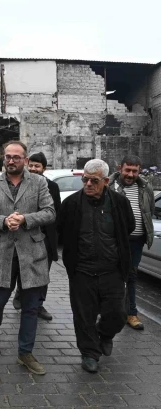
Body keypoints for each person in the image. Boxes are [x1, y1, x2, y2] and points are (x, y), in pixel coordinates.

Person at [0, 141, 55, 376]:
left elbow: (50, 212)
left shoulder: (39, 182)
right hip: (2, 251)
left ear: (24, 159)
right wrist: (4, 221)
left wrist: (24, 219)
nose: (11, 160)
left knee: (31, 307)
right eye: (8, 156)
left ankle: (25, 353)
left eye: (16, 157)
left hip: (32, 253)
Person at [58, 159, 134, 373]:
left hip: (112, 270)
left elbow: (128, 226)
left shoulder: (119, 203)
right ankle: (89, 353)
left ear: (106, 181)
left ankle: (106, 333)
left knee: (118, 314)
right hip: (82, 270)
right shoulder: (71, 204)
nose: (88, 184)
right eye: (85, 179)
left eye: (94, 180)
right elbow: (62, 231)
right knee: (84, 315)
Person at [12, 152, 61, 321]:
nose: (33, 169)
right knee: (22, 268)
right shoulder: (20, 184)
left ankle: (39, 304)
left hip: (45, 237)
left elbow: (56, 213)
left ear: (44, 169)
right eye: (31, 165)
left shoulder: (52, 187)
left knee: (43, 273)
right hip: (24, 235)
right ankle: (20, 292)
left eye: (37, 166)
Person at [108, 155, 154, 331]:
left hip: (136, 240)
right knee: (111, 275)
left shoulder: (146, 187)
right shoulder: (110, 185)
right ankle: (108, 311)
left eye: (135, 171)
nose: (130, 174)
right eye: (127, 170)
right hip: (114, 239)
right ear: (120, 168)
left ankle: (131, 313)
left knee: (132, 275)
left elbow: (148, 211)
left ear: (139, 170)